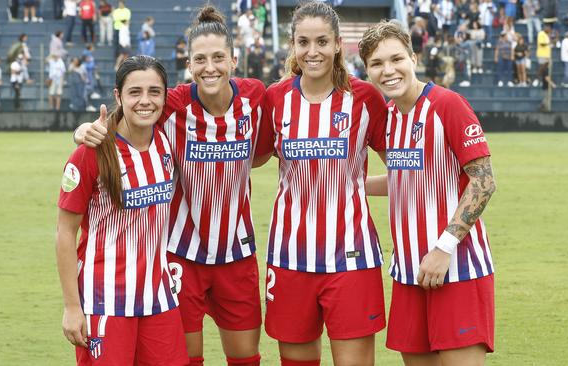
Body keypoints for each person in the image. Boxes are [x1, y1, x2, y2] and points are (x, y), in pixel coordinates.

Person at [73, 6, 268, 366]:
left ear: (234, 60)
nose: (210, 67)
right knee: (185, 357)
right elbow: (132, 110)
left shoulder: (255, 96)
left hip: (237, 253)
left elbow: (262, 153)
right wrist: (85, 130)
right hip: (181, 255)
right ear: (189, 65)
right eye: (200, 60)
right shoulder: (174, 104)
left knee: (245, 357)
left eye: (218, 58)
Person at [254, 2, 388, 365]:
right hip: (289, 257)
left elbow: (406, 168)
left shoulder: (364, 99)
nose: (312, 52)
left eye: (322, 42)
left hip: (352, 257)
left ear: (338, 44)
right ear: (293, 46)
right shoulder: (275, 98)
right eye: (303, 42)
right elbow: (251, 157)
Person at [358, 19, 497, 366]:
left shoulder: (448, 104)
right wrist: (346, 186)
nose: (388, 70)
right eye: (377, 64)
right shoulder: (387, 116)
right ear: (367, 71)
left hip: (457, 268)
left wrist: (443, 247)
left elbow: (483, 182)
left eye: (396, 59)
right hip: (408, 272)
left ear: (413, 58)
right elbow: (408, 179)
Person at [56, 55, 189, 366]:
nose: (145, 101)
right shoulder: (91, 153)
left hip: (158, 297)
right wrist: (72, 307)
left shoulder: (167, 141)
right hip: (105, 301)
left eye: (155, 92)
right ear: (118, 96)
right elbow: (64, 233)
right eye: (135, 92)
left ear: (165, 96)